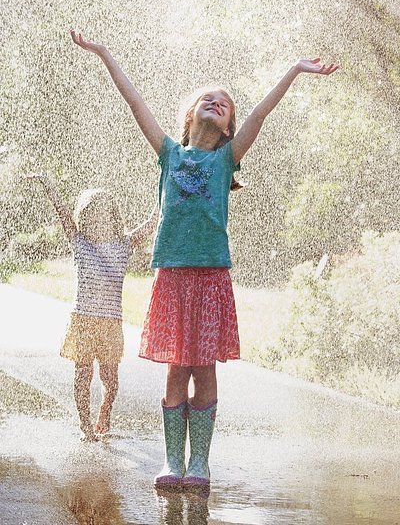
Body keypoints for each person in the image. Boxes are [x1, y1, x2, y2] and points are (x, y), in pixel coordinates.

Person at [70, 29, 338, 483]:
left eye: (225, 103)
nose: (218, 102)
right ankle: (174, 461)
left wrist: (293, 70)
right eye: (209, 99)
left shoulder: (227, 159)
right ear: (191, 114)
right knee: (177, 369)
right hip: (172, 277)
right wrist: (105, 54)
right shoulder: (169, 153)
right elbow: (136, 104)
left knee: (205, 369)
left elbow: (260, 113)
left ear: (229, 127)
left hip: (211, 276)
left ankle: (200, 463)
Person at [28, 172, 157, 441]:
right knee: (82, 375)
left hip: (110, 324)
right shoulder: (80, 242)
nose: (98, 223)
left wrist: (165, 190)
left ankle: (105, 409)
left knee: (110, 380)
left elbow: (151, 223)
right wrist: (49, 185)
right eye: (92, 218)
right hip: (83, 321)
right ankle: (85, 425)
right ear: (84, 221)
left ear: (114, 220)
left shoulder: (123, 245)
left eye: (104, 218)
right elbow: (63, 214)